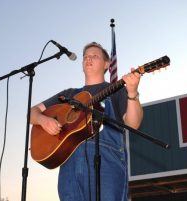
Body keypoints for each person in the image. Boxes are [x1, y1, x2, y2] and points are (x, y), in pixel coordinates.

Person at [30, 42, 143, 201]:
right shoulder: (68, 95)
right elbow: (32, 112)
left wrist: (132, 93)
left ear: (106, 64)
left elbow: (133, 124)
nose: (88, 59)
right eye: (85, 57)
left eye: (94, 56)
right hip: (69, 166)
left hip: (107, 162)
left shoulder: (117, 90)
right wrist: (43, 120)